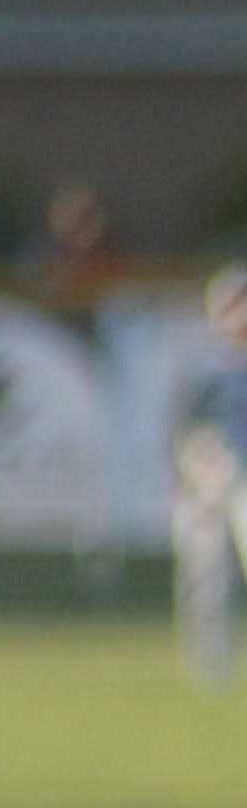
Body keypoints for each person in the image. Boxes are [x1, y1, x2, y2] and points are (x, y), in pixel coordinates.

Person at [177, 268, 247, 689]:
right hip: (206, 476)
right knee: (206, 572)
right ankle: (211, 665)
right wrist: (189, 470)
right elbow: (185, 425)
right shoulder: (203, 365)